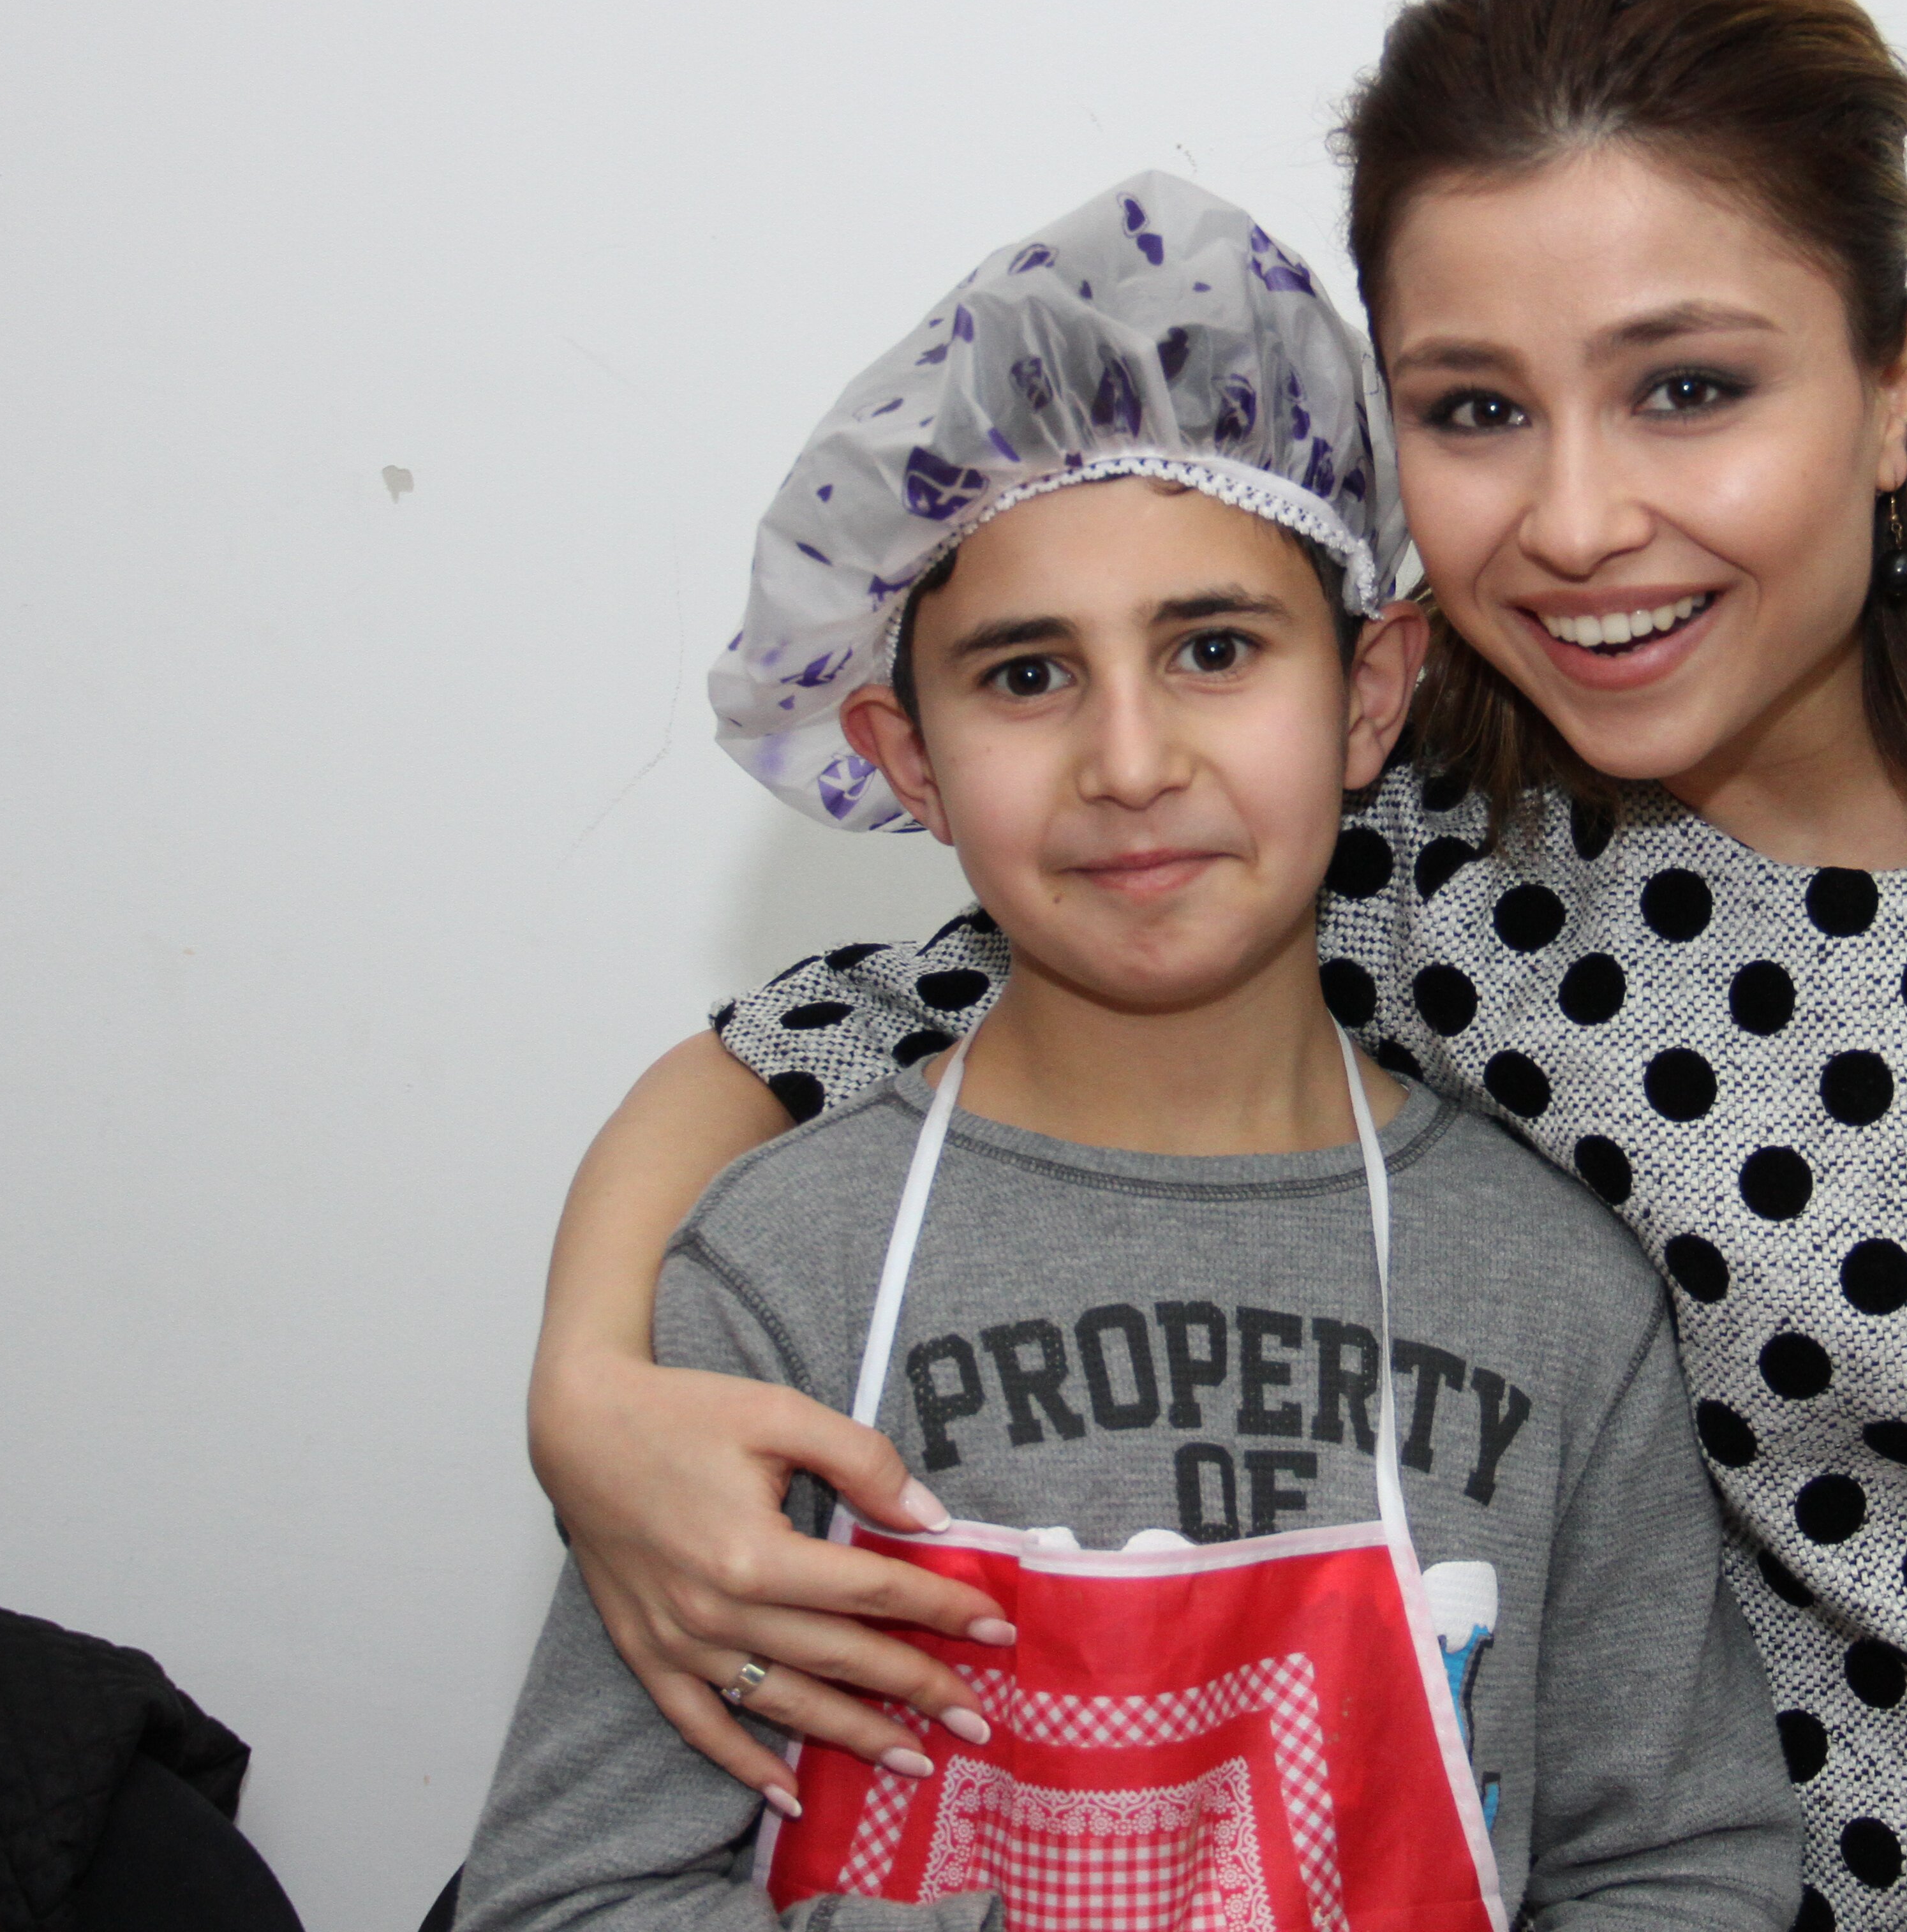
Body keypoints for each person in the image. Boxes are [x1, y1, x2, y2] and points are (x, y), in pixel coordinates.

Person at [528, 0, 1907, 1931]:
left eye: (1688, 388)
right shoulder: (1402, 849)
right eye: (1477, 411)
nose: (1578, 522)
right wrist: (594, 1393)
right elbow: (789, 1060)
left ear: (1888, 385)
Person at [457, 174, 1800, 1932]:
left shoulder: (1556, 1292)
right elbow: (568, 1901)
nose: (1132, 762)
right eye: (1028, 678)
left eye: (1215, 650)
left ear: (1369, 696)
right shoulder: (778, 1279)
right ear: (910, 757)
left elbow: (1681, 1870)